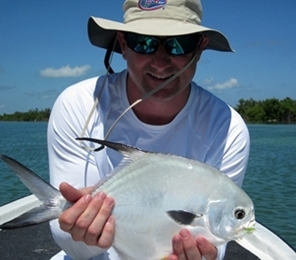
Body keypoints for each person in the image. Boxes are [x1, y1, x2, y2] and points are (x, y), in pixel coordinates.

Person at [48, 0, 250, 259]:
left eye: (179, 44)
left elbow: (217, 240)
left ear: (199, 48)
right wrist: (83, 231)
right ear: (123, 44)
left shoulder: (227, 127)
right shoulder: (79, 104)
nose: (160, 61)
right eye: (144, 42)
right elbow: (69, 240)